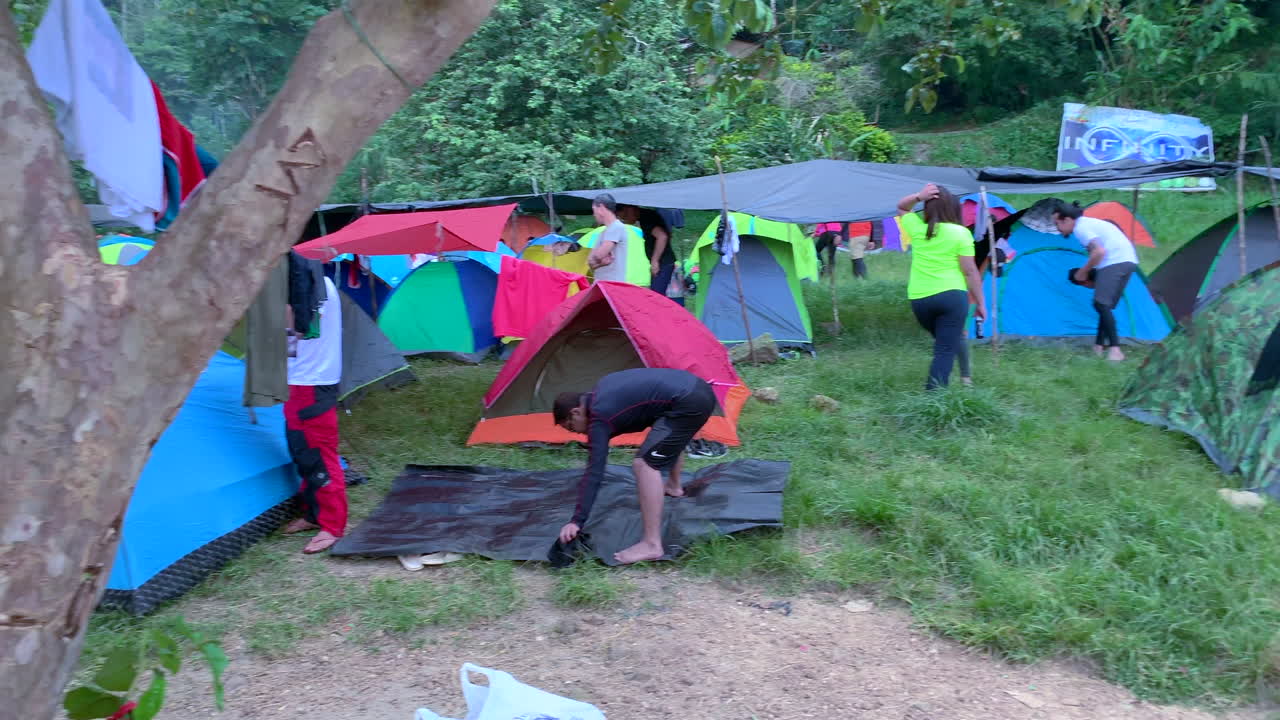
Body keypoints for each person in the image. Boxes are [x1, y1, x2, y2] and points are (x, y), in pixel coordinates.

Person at [553, 368, 717, 565]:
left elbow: (594, 472)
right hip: (697, 388)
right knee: (667, 435)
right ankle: (674, 487)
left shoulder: (599, 417)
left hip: (688, 402)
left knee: (644, 464)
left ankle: (651, 544)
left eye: (571, 427)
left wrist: (576, 521)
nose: (577, 433)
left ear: (576, 412)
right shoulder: (601, 391)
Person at [281, 274, 348, 554]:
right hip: (302, 380)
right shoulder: (306, 280)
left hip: (311, 382)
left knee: (319, 454)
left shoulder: (308, 284)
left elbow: (295, 330)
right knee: (301, 450)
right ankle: (313, 512)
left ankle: (333, 525)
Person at [896, 183, 987, 390]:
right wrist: (981, 303)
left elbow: (901, 207)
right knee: (945, 349)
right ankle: (934, 398)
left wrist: (919, 196)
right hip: (951, 297)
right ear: (953, 208)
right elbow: (970, 271)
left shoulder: (918, 229)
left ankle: (964, 379)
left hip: (920, 300)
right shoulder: (960, 233)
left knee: (949, 340)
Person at [1052, 200, 1140, 361]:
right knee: (1104, 306)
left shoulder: (1080, 228)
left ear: (1067, 220)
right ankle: (1098, 347)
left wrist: (1082, 272)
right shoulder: (1087, 224)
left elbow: (1099, 252)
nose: (1057, 228)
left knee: (1100, 304)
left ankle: (1115, 350)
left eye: (1057, 223)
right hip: (1128, 260)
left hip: (1115, 261)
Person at [618, 204, 676, 295]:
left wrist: (655, 261)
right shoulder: (645, 216)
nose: (626, 221)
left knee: (657, 296)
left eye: (625, 216)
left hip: (663, 262)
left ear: (630, 209)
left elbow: (662, 236)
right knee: (656, 294)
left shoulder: (647, 218)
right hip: (663, 262)